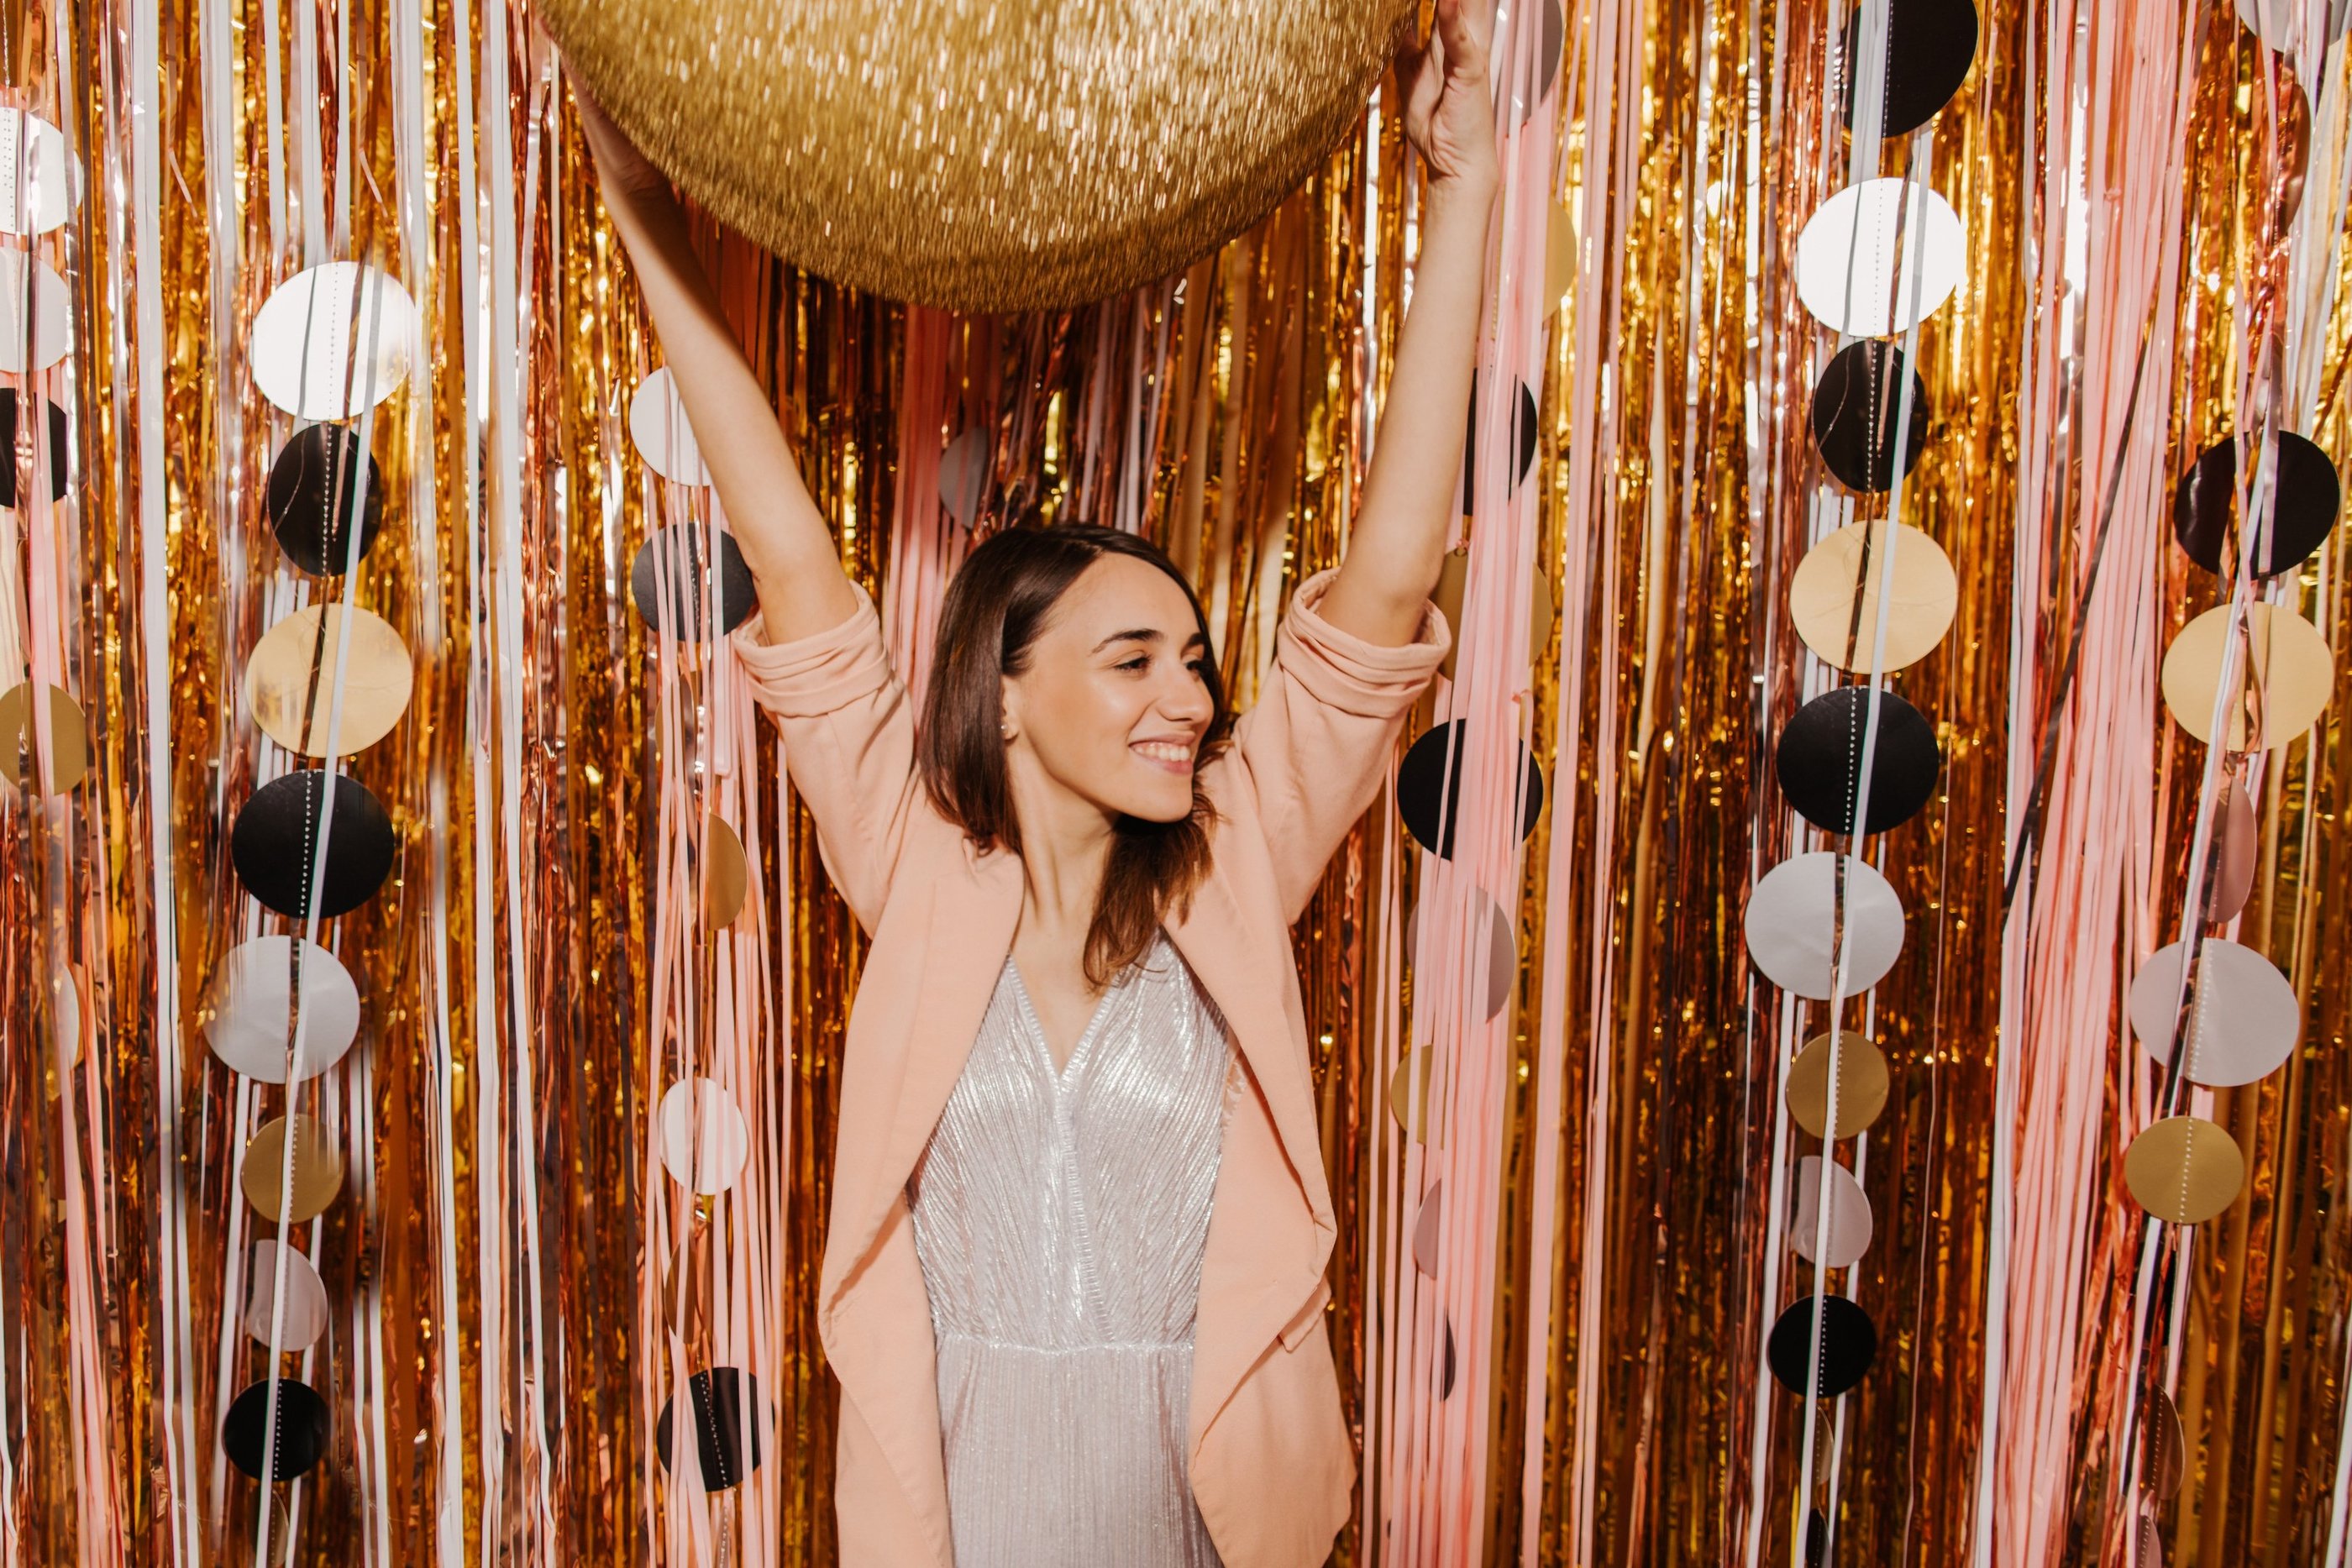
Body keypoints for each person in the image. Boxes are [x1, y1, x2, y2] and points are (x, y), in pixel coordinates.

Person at [574, 3, 1497, 1561]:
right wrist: (636, 196)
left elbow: (1394, 576)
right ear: (1002, 690)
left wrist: (1464, 184)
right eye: (1133, 660)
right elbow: (783, 544)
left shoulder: (1235, 854)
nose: (1189, 699)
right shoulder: (914, 857)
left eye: (1195, 662)